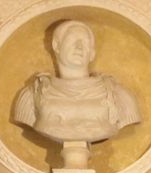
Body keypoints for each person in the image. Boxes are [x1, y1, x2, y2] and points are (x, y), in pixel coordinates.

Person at [11, 19, 141, 146]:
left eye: (85, 42)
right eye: (72, 39)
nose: (79, 46)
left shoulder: (119, 96)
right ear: (56, 45)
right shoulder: (32, 95)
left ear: (92, 54)